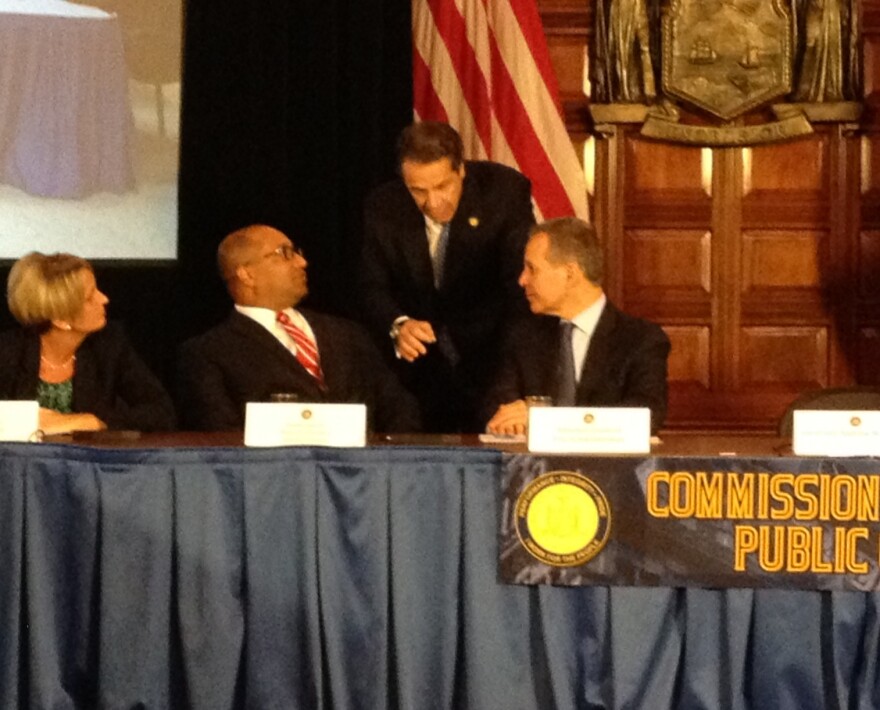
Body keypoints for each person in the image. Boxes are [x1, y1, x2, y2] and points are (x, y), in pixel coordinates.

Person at [361, 121, 534, 432]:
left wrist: (513, 378)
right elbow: (372, 286)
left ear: (461, 171)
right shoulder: (383, 207)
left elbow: (519, 290)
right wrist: (398, 324)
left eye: (442, 186)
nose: (433, 202)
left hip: (492, 361)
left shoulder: (504, 193)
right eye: (418, 191)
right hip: (417, 373)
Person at [178, 224, 420, 432]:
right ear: (246, 274)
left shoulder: (347, 334)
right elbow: (220, 436)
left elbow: (399, 407)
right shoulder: (209, 353)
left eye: (297, 252)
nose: (302, 262)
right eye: (285, 253)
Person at [485, 217, 670, 435]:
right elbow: (495, 406)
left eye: (532, 269)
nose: (522, 280)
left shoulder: (641, 340)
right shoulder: (523, 337)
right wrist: (506, 421)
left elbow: (645, 416)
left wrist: (545, 420)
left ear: (570, 273)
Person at [0, 252, 176, 434]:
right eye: (90, 297)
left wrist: (91, 422)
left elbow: (161, 413)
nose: (104, 299)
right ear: (61, 319)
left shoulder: (110, 345)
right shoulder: (8, 352)